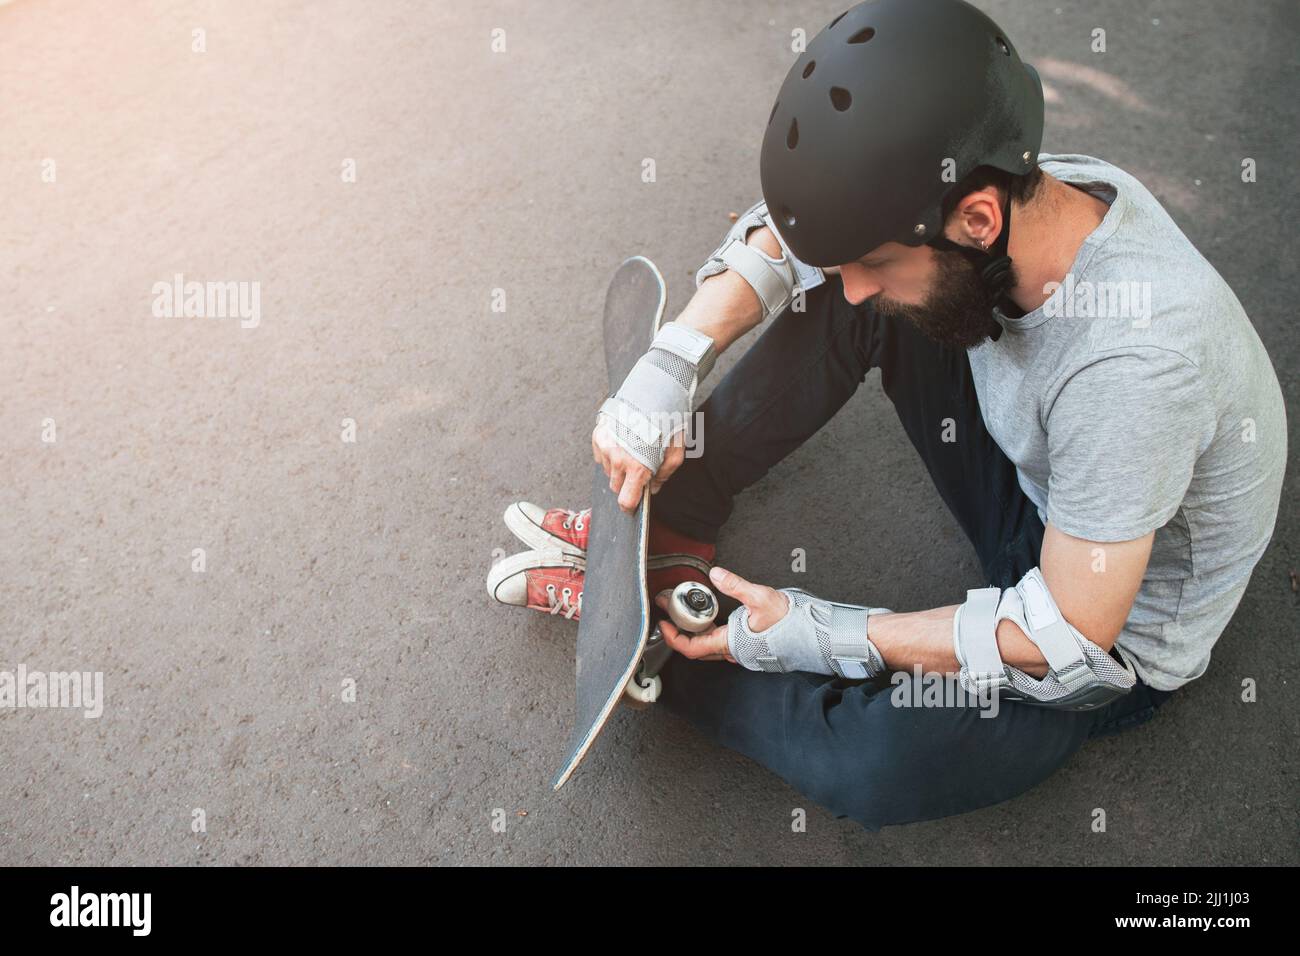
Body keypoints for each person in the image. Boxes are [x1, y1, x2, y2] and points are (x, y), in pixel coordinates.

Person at [488, 0, 1285, 829]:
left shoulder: (1136, 368)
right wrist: (677, 355)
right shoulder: (1020, 196)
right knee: (879, 292)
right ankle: (671, 525)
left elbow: (1068, 637)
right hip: (1055, 481)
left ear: (978, 219)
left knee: (875, 767)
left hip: (1100, 630)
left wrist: (820, 634)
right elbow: (815, 240)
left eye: (875, 261)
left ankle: (679, 640)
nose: (853, 283)